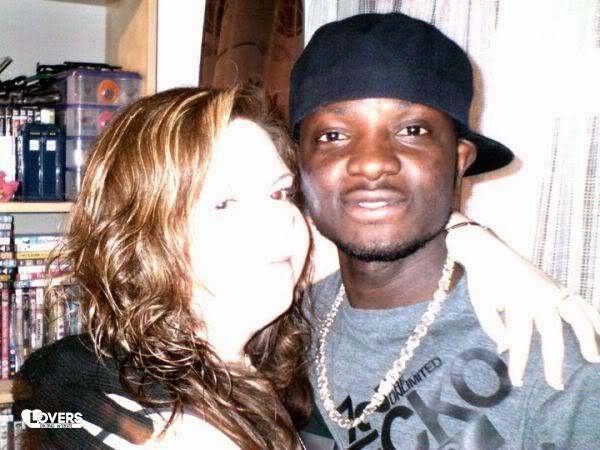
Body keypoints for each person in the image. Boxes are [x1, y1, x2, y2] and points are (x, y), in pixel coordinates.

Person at [13, 15, 600, 448]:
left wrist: (474, 238)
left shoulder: (552, 351)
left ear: (460, 159)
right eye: (223, 201)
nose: (372, 164)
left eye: (275, 193)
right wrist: (85, 411)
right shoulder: (293, 312)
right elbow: (47, 388)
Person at [289, 13, 600, 449]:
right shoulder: (282, 322)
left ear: (459, 160)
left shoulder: (553, 360)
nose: (372, 162)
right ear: (300, 165)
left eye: (411, 130)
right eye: (333, 136)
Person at [16, 86, 313, 449]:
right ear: (140, 241)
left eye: (279, 193)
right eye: (224, 203)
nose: (280, 218)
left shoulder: (245, 359)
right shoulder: (167, 431)